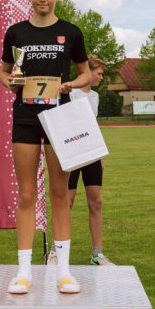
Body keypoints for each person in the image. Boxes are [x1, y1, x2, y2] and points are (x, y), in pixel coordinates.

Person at [0, 0, 91, 295]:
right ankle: (24, 272)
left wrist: (70, 85)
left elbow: (86, 74)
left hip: (59, 118)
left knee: (59, 194)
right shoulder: (16, 32)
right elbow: (4, 71)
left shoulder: (70, 32)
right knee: (26, 195)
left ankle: (63, 272)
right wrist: (9, 82)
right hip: (25, 117)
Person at [67, 55, 113, 266]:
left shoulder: (95, 97)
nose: (101, 78)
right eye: (99, 73)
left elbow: (93, 128)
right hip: (71, 154)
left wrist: (99, 155)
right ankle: (56, 253)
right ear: (88, 71)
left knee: (96, 202)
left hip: (91, 154)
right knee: (66, 202)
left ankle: (97, 254)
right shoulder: (69, 93)